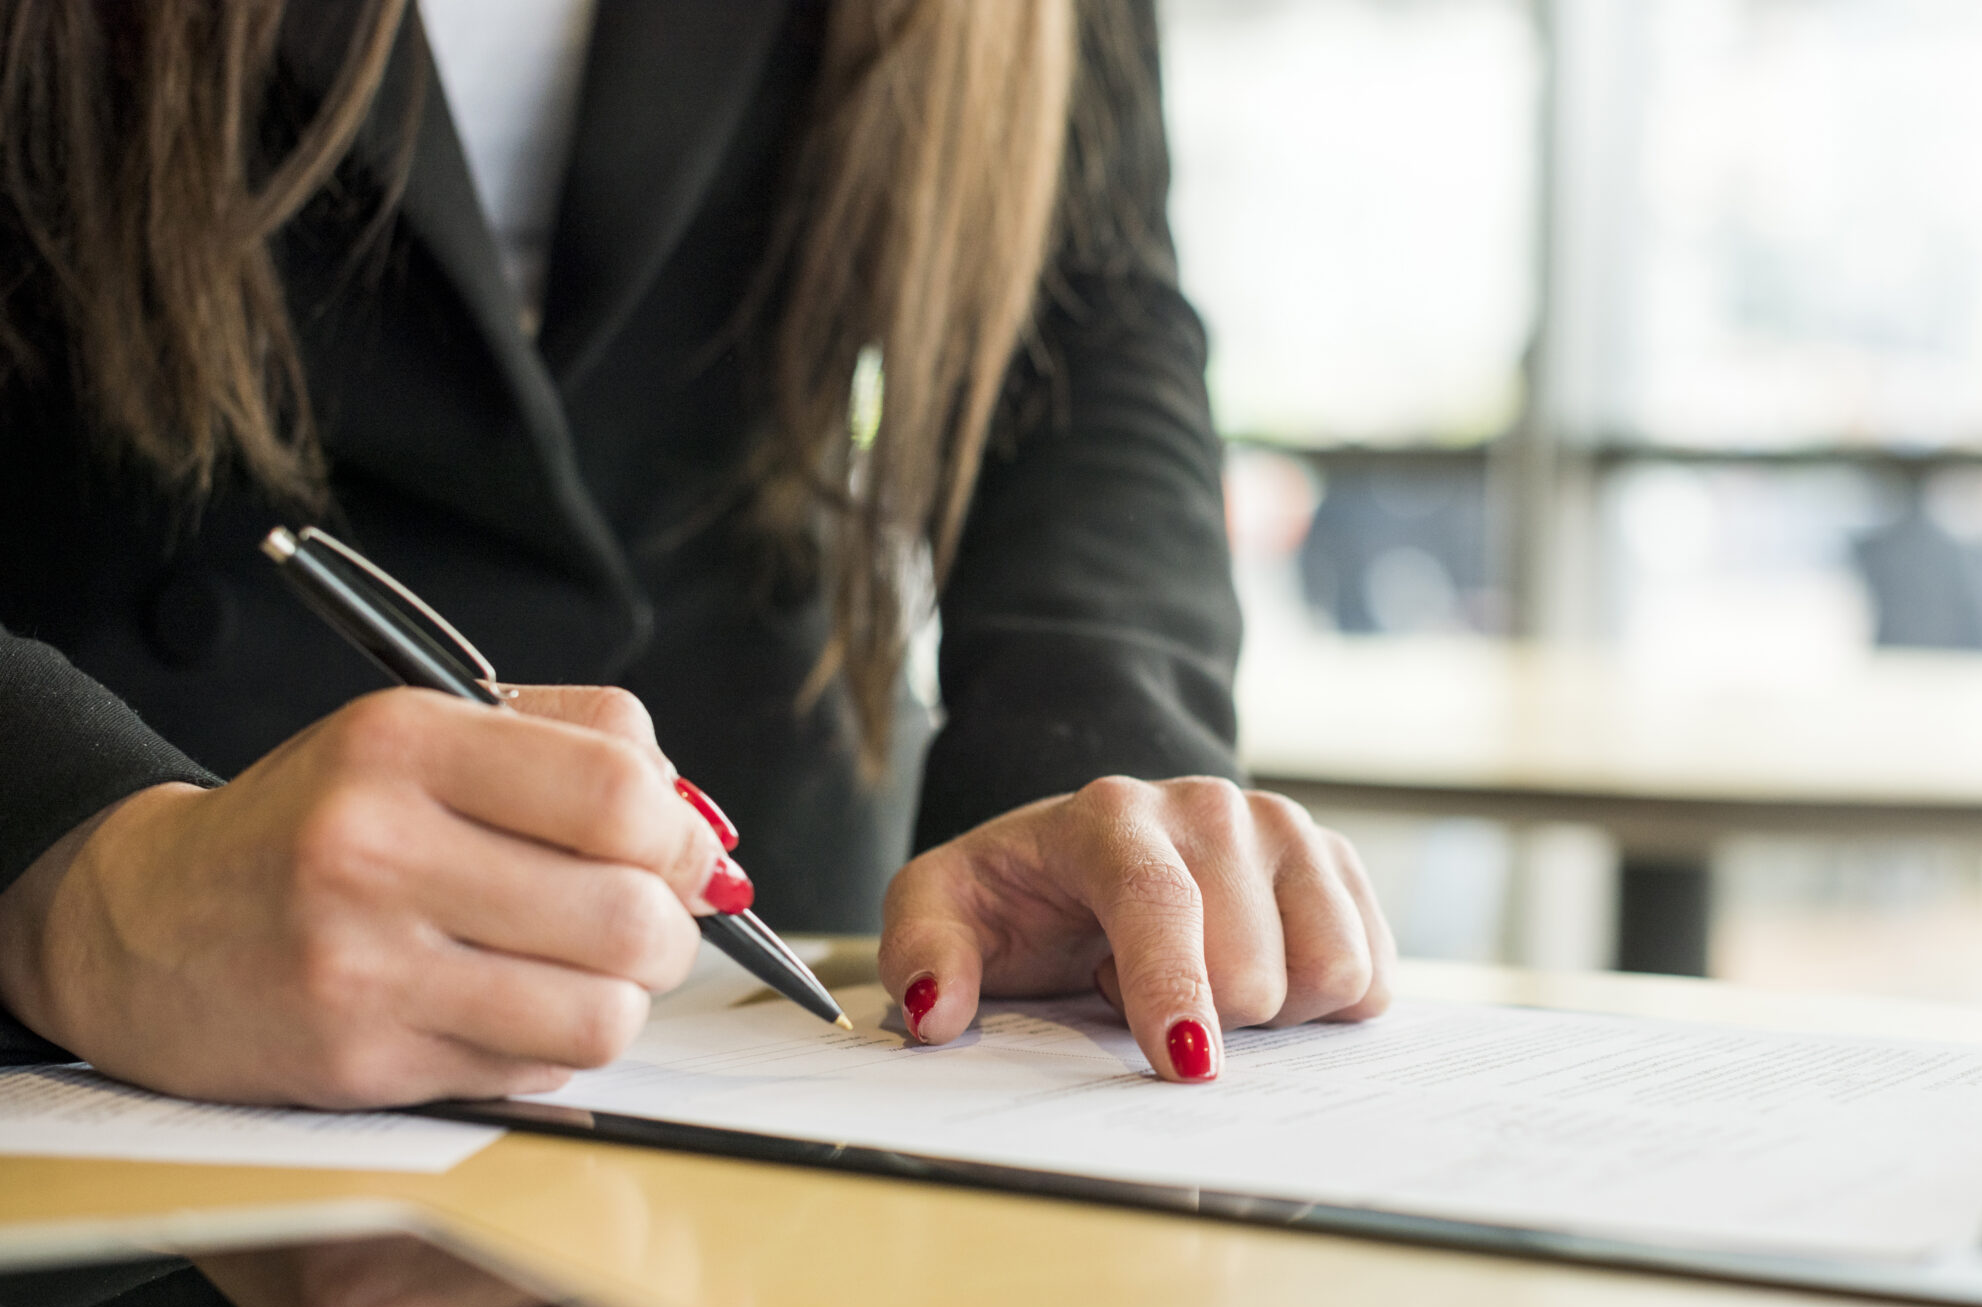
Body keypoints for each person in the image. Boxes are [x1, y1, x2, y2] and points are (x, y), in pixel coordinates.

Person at [0, 0, 1393, 1107]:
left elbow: (1081, 315)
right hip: (144, 934)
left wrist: (1089, 786)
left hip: (776, 943)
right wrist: (72, 878)